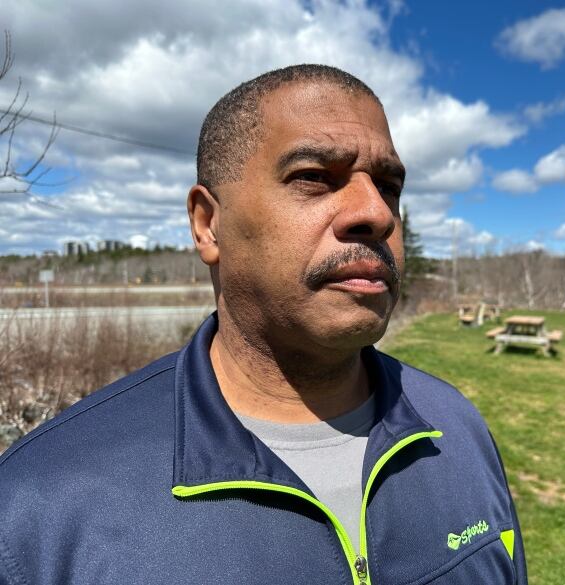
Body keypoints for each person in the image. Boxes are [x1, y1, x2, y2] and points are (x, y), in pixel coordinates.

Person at [0, 65, 528, 585]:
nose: (377, 213)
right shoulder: (41, 507)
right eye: (314, 177)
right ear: (209, 224)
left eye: (389, 186)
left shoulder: (455, 428)